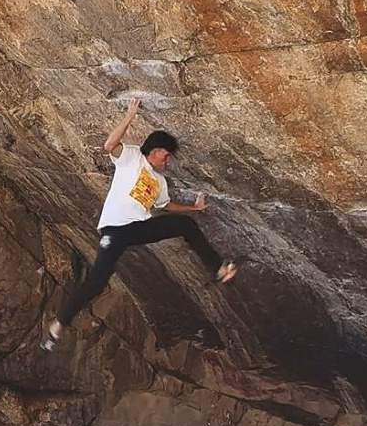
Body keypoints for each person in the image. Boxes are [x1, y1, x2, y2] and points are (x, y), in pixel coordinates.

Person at [41, 98, 237, 351]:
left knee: (185, 225)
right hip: (115, 230)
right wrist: (130, 115)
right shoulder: (132, 157)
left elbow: (165, 205)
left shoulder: (160, 182)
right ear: (154, 151)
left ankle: (219, 269)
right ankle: (58, 324)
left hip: (138, 227)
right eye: (166, 156)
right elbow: (110, 144)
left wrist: (194, 208)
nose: (168, 162)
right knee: (97, 282)